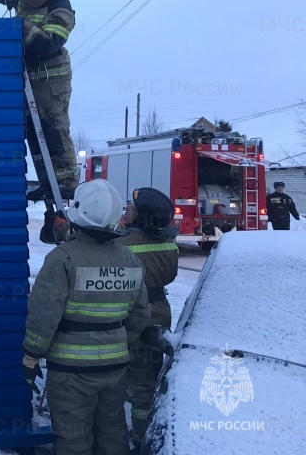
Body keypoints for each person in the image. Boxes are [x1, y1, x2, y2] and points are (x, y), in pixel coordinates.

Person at [22, 179, 151, 455]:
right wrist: (117, 342)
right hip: (115, 369)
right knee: (113, 432)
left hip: (71, 373)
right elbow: (140, 316)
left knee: (74, 440)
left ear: (77, 214)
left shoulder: (63, 259)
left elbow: (44, 315)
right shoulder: (130, 260)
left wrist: (31, 355)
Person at [0, 0, 78, 199]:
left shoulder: (61, 10)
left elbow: (47, 44)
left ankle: (67, 182)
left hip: (51, 80)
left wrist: (21, 25)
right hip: (28, 78)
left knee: (54, 129)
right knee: (34, 133)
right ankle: (47, 181)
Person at [117, 187, 179, 450]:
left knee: (140, 385)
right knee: (150, 375)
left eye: (131, 208)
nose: (126, 211)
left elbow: (87, 246)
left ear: (141, 217)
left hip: (134, 317)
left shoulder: (123, 244)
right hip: (160, 313)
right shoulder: (168, 242)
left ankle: (144, 441)